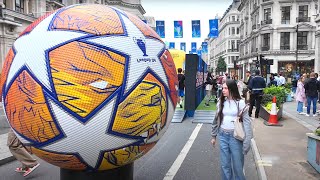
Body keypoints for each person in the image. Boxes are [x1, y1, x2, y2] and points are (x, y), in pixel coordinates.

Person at [211, 79, 253, 180]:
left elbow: (247, 123)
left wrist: (247, 142)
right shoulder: (221, 102)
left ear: (232, 89)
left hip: (236, 137)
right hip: (223, 135)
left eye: (225, 88)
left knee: (237, 166)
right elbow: (216, 119)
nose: (223, 90)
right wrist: (213, 136)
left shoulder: (240, 103)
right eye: (223, 88)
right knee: (225, 165)